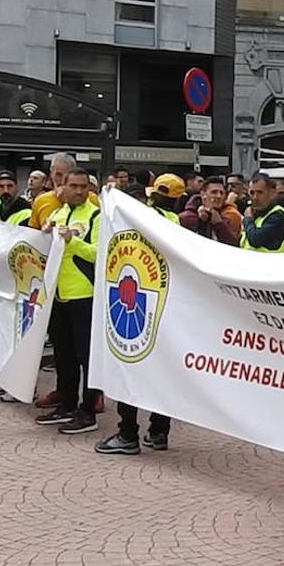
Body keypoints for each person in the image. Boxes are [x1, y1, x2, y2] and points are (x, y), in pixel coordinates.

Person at [95, 182, 176, 456]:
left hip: (143, 304)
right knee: (158, 372)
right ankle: (158, 431)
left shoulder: (117, 224)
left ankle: (129, 433)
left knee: (129, 367)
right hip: (158, 302)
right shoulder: (167, 220)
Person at [36, 168, 103, 434]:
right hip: (58, 293)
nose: (78, 190)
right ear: (62, 186)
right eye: (73, 185)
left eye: (83, 186)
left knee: (86, 356)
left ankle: (87, 411)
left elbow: (98, 254)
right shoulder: (58, 214)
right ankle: (66, 401)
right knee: (63, 355)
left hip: (84, 294)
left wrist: (71, 242)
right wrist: (45, 235)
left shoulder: (96, 215)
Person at [28, 152, 99, 229]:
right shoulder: (41, 200)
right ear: (51, 173)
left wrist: (67, 200)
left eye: (67, 175)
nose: (62, 180)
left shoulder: (90, 198)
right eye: (58, 175)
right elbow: (33, 233)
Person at [178, 175, 240, 244]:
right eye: (214, 192)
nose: (219, 196)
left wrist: (219, 223)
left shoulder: (225, 218)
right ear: (203, 194)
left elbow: (233, 245)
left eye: (221, 193)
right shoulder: (187, 218)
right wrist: (201, 221)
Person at [240, 172, 284, 252]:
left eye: (260, 192)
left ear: (272, 193)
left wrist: (248, 219)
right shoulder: (258, 214)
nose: (255, 197)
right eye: (252, 192)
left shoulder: (278, 215)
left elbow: (255, 240)